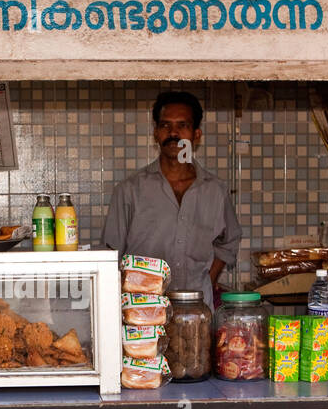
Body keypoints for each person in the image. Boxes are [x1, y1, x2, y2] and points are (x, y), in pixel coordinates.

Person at [102, 90, 242, 307]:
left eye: (182, 126)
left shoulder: (215, 191)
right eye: (165, 125)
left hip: (198, 311)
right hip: (143, 315)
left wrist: (208, 281)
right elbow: (110, 254)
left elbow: (229, 242)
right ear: (156, 133)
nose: (173, 133)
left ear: (196, 135)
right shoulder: (130, 190)